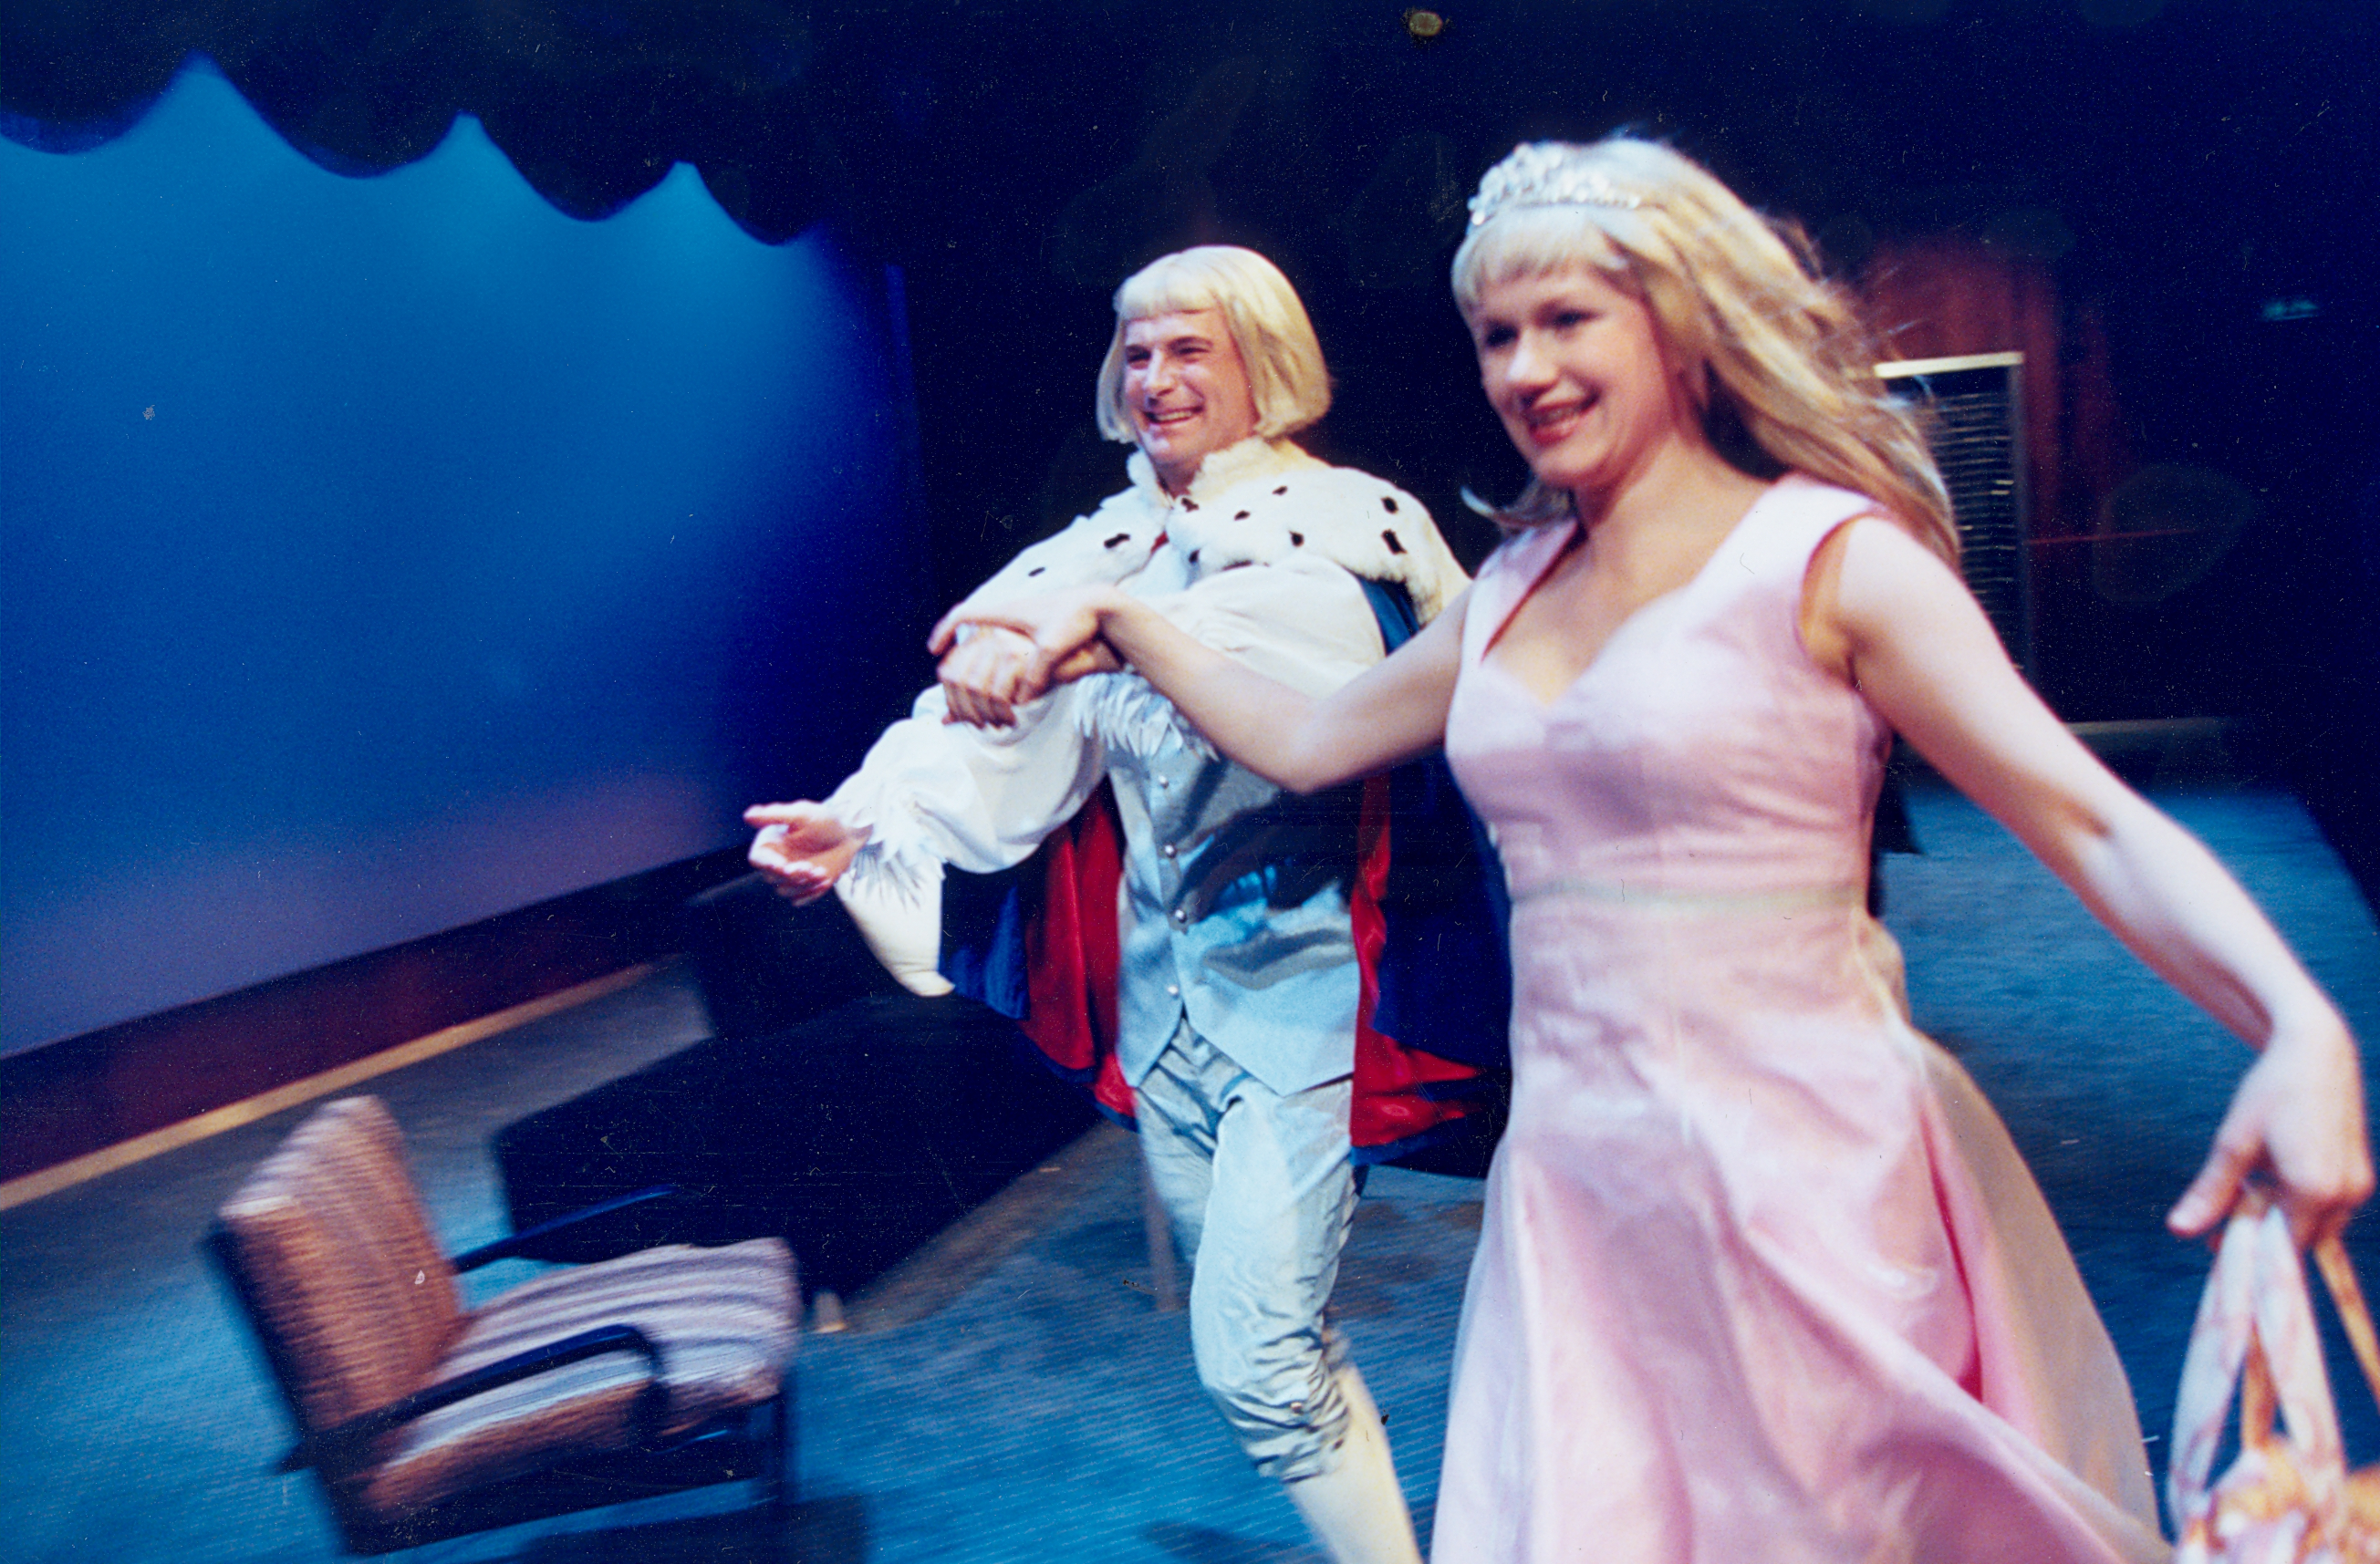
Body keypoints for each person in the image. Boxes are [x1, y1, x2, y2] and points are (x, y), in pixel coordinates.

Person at [930, 139, 2372, 1562]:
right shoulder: (1508, 587)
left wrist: (2297, 1029)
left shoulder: (1830, 561)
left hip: (1805, 1167)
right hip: (1574, 1189)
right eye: (1497, 334)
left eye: (1567, 319)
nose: (1525, 368)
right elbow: (1308, 741)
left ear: (1680, 326)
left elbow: (2091, 821)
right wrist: (1119, 623)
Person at [743, 245, 1471, 1564]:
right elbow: (978, 735)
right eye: (1137, 352)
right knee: (1280, 1344)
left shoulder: (1343, 537)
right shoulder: (1102, 547)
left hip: (1311, 1007)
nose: (1155, 378)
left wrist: (1078, 637)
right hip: (1166, 1016)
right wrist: (854, 822)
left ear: (1265, 362)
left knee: (1254, 1358)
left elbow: (1312, 716)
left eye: (1188, 349)